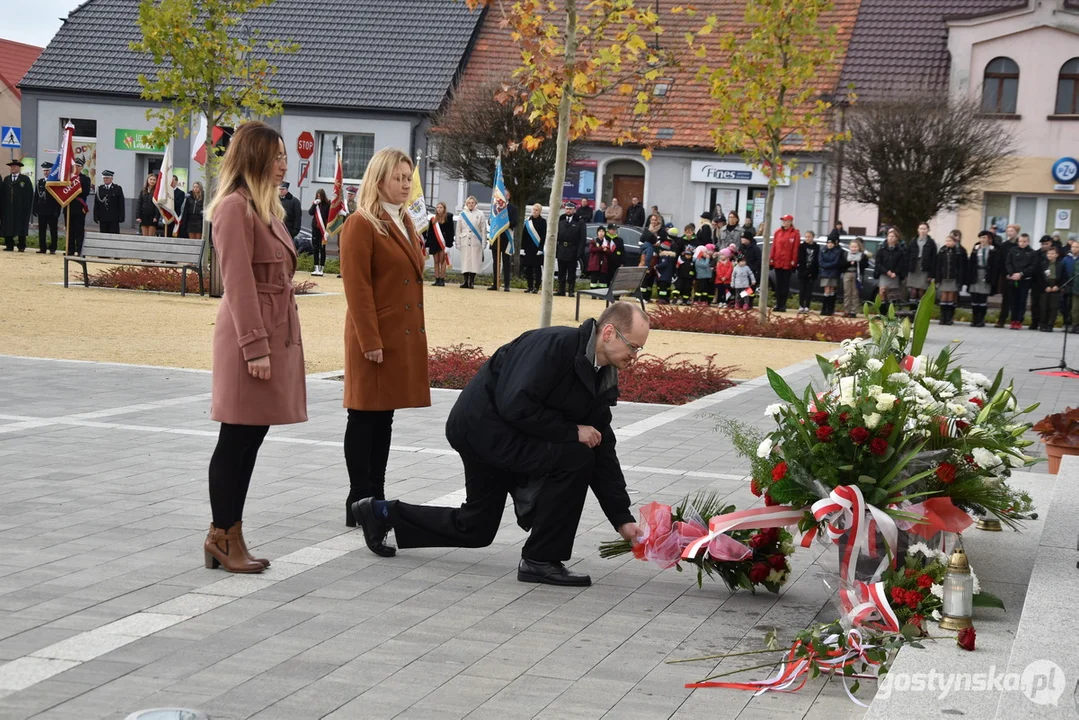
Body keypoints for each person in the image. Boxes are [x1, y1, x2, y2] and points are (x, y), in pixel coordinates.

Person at [350, 302, 644, 585]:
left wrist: (622, 519)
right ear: (608, 333)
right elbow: (515, 404)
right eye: (633, 346)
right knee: (575, 457)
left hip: (509, 436)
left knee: (476, 528)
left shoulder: (602, 374)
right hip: (482, 431)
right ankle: (540, 560)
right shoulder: (555, 345)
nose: (636, 355)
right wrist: (570, 431)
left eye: (640, 349)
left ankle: (380, 513)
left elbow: (602, 446)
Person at [203, 120, 306, 573]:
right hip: (251, 338)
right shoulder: (233, 208)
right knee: (236, 437)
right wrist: (255, 347)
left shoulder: (265, 209)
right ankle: (222, 537)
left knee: (252, 437)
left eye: (285, 156)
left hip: (272, 334)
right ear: (255, 158)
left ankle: (230, 534)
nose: (285, 163)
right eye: (277, 155)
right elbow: (239, 285)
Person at [339, 148, 431, 551]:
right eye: (399, 177)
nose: (407, 184)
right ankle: (362, 498)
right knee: (364, 418)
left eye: (409, 177)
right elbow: (357, 288)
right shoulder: (361, 224)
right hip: (373, 336)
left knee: (384, 419)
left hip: (398, 336)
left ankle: (368, 497)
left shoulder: (406, 220)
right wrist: (370, 341)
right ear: (379, 180)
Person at [1003, 233, 1037, 330]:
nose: (1022, 243)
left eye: (1024, 241)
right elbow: (1008, 263)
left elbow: (1032, 267)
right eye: (1021, 241)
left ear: (1028, 242)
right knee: (1013, 301)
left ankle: (1019, 321)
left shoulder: (1032, 253)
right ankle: (1013, 320)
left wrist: (1021, 274)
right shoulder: (1013, 251)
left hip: (1024, 280)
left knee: (1022, 301)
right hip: (1013, 279)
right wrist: (1012, 274)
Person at [967, 231, 997, 327]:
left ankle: (981, 319)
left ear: (988, 239)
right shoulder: (976, 249)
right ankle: (974, 319)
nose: (982, 240)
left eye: (984, 238)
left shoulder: (992, 250)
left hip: (986, 274)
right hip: (976, 274)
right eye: (981, 238)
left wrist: (992, 278)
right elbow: (971, 263)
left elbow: (994, 266)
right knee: (975, 298)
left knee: (982, 299)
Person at [770, 214, 800, 312]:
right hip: (778, 262)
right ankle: (778, 304)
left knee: (785, 285)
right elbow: (774, 247)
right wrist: (771, 259)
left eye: (786, 221)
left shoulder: (794, 233)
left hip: (787, 263)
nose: (784, 222)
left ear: (790, 222)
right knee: (778, 284)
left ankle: (783, 304)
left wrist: (794, 262)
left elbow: (795, 249)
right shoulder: (777, 232)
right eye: (783, 220)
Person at [935, 230, 966, 325]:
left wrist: (960, 279)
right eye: (947, 241)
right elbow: (938, 265)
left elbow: (961, 266)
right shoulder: (942, 250)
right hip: (944, 277)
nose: (948, 242)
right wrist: (937, 278)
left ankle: (949, 317)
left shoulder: (959, 251)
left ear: (954, 242)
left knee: (951, 297)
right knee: (944, 296)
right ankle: (942, 317)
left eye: (950, 241)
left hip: (953, 278)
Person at [2, 159, 33, 252]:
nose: (13, 168)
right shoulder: (7, 179)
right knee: (8, 225)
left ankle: (21, 245)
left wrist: (27, 207)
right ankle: (9, 245)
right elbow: (3, 193)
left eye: (14, 166)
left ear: (19, 168)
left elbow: (29, 194)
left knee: (21, 226)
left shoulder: (25, 179)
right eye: (11, 166)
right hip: (9, 207)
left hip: (21, 208)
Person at [994, 224, 1022, 327]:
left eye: (1012, 231)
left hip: (1018, 276)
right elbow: (1001, 261)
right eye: (1008, 231)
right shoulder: (1004, 245)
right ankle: (1002, 320)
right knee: (1006, 299)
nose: (1009, 233)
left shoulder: (1020, 244)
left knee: (1016, 299)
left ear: (1016, 232)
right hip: (1006, 276)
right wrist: (1006, 273)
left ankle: (1015, 320)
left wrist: (1018, 274)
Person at [456, 195, 486, 289]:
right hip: (465, 239)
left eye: (472, 203)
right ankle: (465, 281)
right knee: (465, 261)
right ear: (466, 204)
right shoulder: (462, 214)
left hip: (476, 240)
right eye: (469, 203)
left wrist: (484, 243)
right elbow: (458, 229)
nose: (471, 204)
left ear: (475, 203)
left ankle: (472, 281)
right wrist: (458, 242)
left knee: (474, 261)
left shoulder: (480, 214)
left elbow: (483, 230)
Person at [874, 228, 907, 314]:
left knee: (891, 295)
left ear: (896, 238)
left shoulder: (900, 250)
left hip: (894, 275)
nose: (891, 238)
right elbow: (878, 263)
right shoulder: (881, 248)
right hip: (884, 274)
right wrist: (886, 271)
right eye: (889, 236)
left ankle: (890, 312)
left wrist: (895, 272)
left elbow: (901, 264)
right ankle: (881, 313)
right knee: (882, 291)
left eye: (893, 236)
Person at [556, 201, 585, 296]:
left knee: (571, 272)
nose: (568, 210)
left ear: (574, 210)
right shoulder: (561, 219)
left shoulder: (579, 222)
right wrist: (556, 250)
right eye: (567, 209)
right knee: (561, 272)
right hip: (561, 249)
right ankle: (561, 290)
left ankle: (571, 290)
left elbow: (582, 239)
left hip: (573, 249)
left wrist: (579, 253)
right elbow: (556, 235)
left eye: (570, 209)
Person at [424, 201, 455, 287]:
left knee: (442, 261)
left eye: (441, 207)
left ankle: (442, 279)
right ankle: (437, 279)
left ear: (444, 209)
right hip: (434, 243)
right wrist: (427, 245)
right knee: (436, 261)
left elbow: (451, 233)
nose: (439, 209)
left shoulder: (448, 218)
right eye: (438, 207)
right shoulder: (433, 219)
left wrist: (448, 245)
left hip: (443, 243)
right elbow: (429, 233)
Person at [906, 223, 937, 305]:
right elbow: (907, 255)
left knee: (921, 289)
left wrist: (931, 274)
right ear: (918, 230)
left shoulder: (931, 243)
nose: (922, 231)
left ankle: (921, 308)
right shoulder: (913, 241)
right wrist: (907, 269)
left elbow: (934, 259)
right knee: (913, 289)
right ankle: (912, 309)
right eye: (921, 228)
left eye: (924, 229)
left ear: (927, 230)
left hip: (924, 267)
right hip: (914, 266)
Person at [66, 159, 92, 255]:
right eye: (74, 166)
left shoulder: (85, 179)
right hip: (68, 207)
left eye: (78, 166)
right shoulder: (67, 178)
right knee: (69, 230)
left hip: (79, 208)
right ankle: (70, 250)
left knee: (79, 230)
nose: (76, 168)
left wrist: (74, 190)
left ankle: (80, 250)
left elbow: (86, 192)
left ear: (81, 167)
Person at [33, 161, 60, 254]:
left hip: (52, 211)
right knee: (42, 230)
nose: (46, 172)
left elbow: (58, 198)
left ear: (51, 171)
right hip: (42, 210)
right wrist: (35, 208)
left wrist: (57, 210)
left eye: (47, 170)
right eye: (44, 171)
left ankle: (53, 248)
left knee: (53, 230)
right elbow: (36, 196)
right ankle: (42, 247)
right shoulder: (40, 182)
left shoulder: (55, 182)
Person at [1036, 244, 1064, 332]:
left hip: (1055, 286)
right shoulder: (1043, 264)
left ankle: (1050, 325)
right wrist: (1045, 286)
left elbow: (1063, 277)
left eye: (1052, 253)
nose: (1050, 255)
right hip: (1045, 287)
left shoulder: (1060, 265)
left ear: (1057, 255)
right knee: (1044, 306)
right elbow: (1039, 277)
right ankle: (1043, 324)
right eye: (1048, 253)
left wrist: (1058, 286)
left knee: (1053, 307)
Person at [1029, 235, 1054, 330]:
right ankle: (1034, 322)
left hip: (1047, 284)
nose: (1044, 246)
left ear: (1051, 243)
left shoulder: (1053, 254)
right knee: (1035, 304)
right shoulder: (1036, 254)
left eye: (1046, 244)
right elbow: (1034, 269)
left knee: (1045, 305)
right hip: (1036, 283)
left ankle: (1044, 323)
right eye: (1043, 244)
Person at [638, 213, 665, 300]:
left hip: (656, 256)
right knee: (645, 276)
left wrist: (657, 245)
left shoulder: (662, 231)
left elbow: (663, 244)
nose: (653, 222)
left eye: (655, 220)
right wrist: (651, 244)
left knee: (651, 277)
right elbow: (640, 242)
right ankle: (641, 296)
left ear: (659, 221)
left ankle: (647, 297)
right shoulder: (647, 230)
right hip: (646, 255)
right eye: (652, 220)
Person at [842, 237, 870, 318]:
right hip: (847, 274)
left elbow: (865, 265)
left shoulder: (862, 256)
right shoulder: (845, 254)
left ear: (858, 247)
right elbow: (841, 265)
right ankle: (846, 310)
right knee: (847, 293)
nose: (854, 248)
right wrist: (848, 263)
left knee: (855, 293)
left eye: (855, 247)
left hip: (856, 275)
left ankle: (853, 311)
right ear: (850, 247)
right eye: (852, 247)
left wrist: (858, 263)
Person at [520, 203, 545, 293]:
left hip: (537, 249)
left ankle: (536, 287)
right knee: (528, 269)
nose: (534, 211)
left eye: (536, 210)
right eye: (533, 209)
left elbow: (543, 236)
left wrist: (540, 249)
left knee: (537, 269)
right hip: (528, 248)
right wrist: (522, 249)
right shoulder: (528, 221)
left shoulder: (543, 222)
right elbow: (524, 235)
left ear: (540, 211)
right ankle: (529, 286)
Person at [94, 170, 125, 234]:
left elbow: (121, 204)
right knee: (103, 235)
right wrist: (96, 216)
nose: (105, 179)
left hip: (114, 217)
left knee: (114, 235)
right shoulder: (100, 189)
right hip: (103, 217)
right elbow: (96, 204)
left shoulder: (117, 188)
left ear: (111, 178)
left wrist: (121, 216)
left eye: (107, 178)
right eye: (104, 178)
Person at [307, 189, 330, 277]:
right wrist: (314, 204)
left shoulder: (327, 204)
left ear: (323, 196)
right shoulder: (315, 204)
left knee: (322, 248)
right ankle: (316, 267)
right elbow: (310, 213)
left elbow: (328, 216)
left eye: (320, 196)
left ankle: (321, 268)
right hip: (315, 228)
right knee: (315, 248)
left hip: (323, 229)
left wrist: (328, 230)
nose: (319, 198)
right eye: (317, 196)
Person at [796, 230, 820, 313]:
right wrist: (803, 271)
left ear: (813, 237)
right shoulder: (802, 246)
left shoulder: (816, 247)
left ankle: (807, 306)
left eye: (809, 237)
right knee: (802, 289)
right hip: (803, 272)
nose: (807, 238)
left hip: (812, 272)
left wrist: (811, 272)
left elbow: (816, 260)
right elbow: (800, 259)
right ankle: (801, 305)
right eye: (806, 237)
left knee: (809, 290)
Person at [818, 235, 843, 316]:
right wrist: (828, 265)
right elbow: (821, 262)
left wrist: (827, 265)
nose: (830, 244)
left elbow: (836, 262)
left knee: (832, 290)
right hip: (825, 273)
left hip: (833, 273)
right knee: (826, 290)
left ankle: (830, 309)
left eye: (831, 243)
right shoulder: (823, 251)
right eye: (828, 243)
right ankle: (824, 309)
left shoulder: (837, 251)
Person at [655, 237, 677, 304]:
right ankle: (666, 298)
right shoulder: (671, 257)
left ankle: (662, 299)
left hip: (663, 276)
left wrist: (657, 266)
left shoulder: (664, 257)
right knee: (666, 288)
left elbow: (664, 264)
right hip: (668, 277)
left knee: (662, 289)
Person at [1066, 239, 1079, 332]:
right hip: (1073, 287)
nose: (1074, 249)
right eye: (1073, 247)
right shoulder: (1067, 258)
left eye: (1077, 247)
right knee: (1074, 308)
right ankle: (1074, 325)